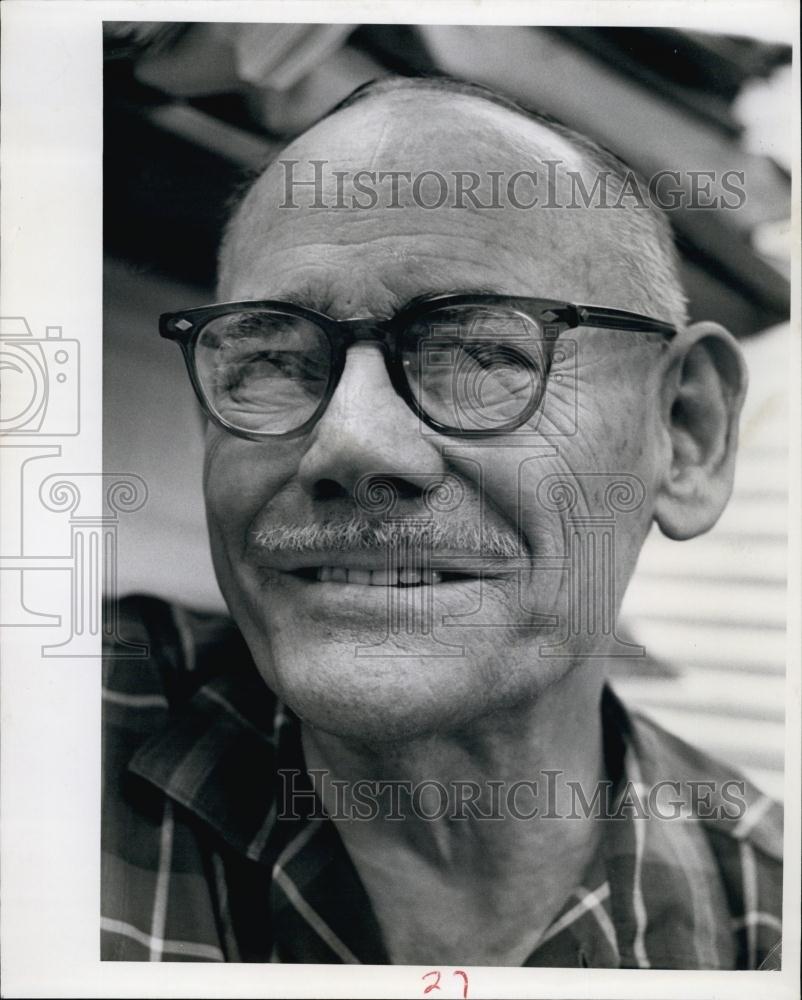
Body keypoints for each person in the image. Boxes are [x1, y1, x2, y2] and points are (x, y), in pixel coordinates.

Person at [102, 76, 782, 968]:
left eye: (478, 350)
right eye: (271, 359)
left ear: (684, 433)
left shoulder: (767, 928)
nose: (348, 442)